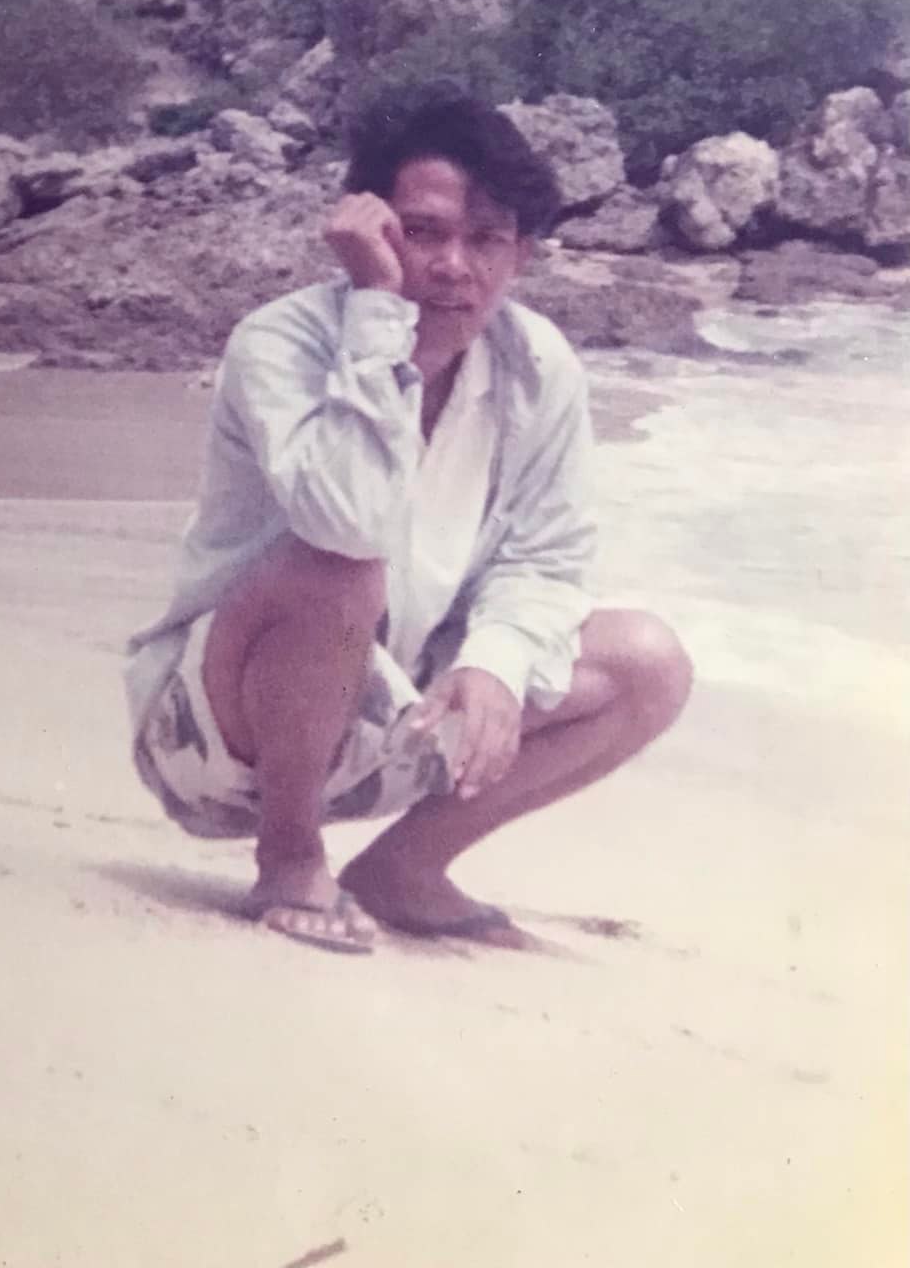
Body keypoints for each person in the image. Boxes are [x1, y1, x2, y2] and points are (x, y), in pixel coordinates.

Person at [123, 86, 693, 955]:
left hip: (392, 721)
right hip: (217, 740)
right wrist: (379, 315)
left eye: (486, 238)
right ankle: (289, 856)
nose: (454, 265)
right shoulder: (280, 341)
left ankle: (405, 869)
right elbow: (346, 523)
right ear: (371, 231)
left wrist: (495, 664)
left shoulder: (538, 365)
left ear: (520, 254)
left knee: (649, 664)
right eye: (422, 233)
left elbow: (549, 557)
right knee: (340, 567)